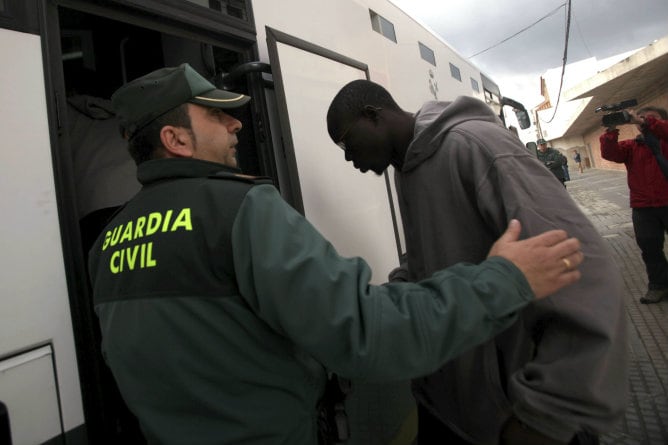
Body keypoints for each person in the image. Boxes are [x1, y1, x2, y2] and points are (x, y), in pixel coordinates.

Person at [87, 64, 584, 445]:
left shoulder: (107, 241)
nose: (235, 124)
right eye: (214, 114)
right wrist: (504, 280)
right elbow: (367, 336)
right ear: (175, 139)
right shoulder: (240, 209)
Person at [326, 79, 628, 445]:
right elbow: (440, 257)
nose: (347, 157)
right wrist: (393, 296)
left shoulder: (475, 147)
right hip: (447, 407)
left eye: (346, 142)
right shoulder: (407, 169)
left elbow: (581, 266)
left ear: (372, 115)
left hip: (514, 417)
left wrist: (548, 416)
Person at [600, 106, 668, 304]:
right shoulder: (632, 146)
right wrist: (611, 130)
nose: (644, 121)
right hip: (643, 207)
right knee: (650, 249)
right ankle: (659, 285)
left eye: (651, 118)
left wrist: (644, 121)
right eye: (641, 118)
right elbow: (610, 153)